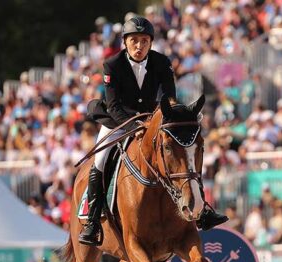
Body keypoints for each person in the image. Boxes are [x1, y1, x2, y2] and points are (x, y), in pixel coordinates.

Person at [79, 16, 227, 245]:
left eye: (145, 41)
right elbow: (115, 106)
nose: (140, 46)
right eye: (135, 41)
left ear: (151, 42)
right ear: (125, 42)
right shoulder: (112, 65)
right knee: (100, 160)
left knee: (184, 154)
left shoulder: (162, 62)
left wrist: (153, 123)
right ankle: (92, 221)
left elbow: (168, 98)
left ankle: (202, 209)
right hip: (117, 121)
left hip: (153, 121)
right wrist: (133, 126)